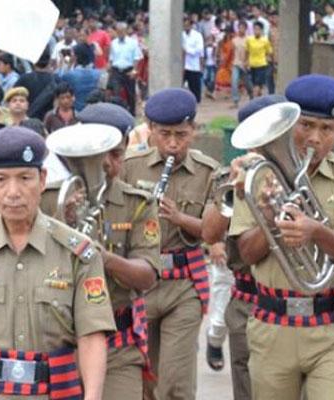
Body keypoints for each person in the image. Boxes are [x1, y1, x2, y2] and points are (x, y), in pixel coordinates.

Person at [0, 126, 116, 400]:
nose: (13, 192)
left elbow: (91, 335)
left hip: (52, 392)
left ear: (43, 179)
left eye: (25, 178)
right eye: (1, 180)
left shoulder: (78, 253)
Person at [229, 74, 334, 400]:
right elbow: (245, 254)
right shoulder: (256, 174)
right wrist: (269, 215)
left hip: (331, 325)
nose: (314, 138)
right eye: (306, 126)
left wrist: (316, 231)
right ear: (289, 124)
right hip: (272, 327)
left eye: (327, 129)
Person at [46, 104, 161, 399]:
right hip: (57, 340)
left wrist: (104, 258)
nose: (108, 163)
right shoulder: (48, 198)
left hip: (118, 345)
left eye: (117, 153)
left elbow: (147, 276)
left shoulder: (139, 202)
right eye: (100, 153)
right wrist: (62, 222)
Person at [121, 88, 220, 400]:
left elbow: (212, 232)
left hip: (184, 285)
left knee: (175, 382)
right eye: (165, 134)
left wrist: (180, 218)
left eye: (181, 134)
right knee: (144, 377)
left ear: (194, 130)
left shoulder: (208, 171)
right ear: (150, 129)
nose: (173, 144)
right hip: (140, 283)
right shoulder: (130, 166)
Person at [200, 94, 287, 400]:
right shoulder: (229, 175)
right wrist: (232, 186)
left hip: (291, 297)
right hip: (248, 299)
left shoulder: (296, 176)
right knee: (247, 388)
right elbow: (209, 233)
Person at [15, 48, 59, 121]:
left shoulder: (24, 79)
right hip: (49, 122)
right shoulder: (57, 80)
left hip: (27, 121)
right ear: (49, 61)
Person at [108, 22, 142, 115]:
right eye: (118, 31)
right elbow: (111, 58)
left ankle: (132, 113)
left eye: (122, 31)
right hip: (116, 71)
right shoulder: (113, 43)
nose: (120, 33)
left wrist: (134, 71)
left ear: (126, 31)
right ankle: (117, 114)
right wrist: (110, 70)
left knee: (130, 94)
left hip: (128, 70)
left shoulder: (132, 43)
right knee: (116, 93)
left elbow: (136, 58)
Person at [58, 43, 101, 112]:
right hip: (95, 110)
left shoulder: (71, 75)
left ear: (76, 57)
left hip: (77, 110)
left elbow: (60, 78)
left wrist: (67, 63)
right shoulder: (99, 73)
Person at [245, 22, 272, 98]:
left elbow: (269, 52)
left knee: (257, 84)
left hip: (261, 64)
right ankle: (257, 95)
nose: (256, 31)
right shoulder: (249, 40)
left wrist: (268, 59)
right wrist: (246, 61)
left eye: (258, 29)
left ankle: (253, 99)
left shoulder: (265, 40)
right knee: (254, 84)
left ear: (261, 30)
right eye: (255, 29)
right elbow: (247, 51)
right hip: (252, 64)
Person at [182, 19, 204, 102]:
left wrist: (186, 50)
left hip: (194, 64)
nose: (186, 27)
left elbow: (199, 50)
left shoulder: (197, 35)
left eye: (187, 25)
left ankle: (197, 101)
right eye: (184, 25)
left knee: (194, 86)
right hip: (183, 65)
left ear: (191, 25)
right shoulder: (181, 35)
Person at [231, 21, 253, 108]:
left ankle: (251, 95)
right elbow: (233, 52)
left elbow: (250, 52)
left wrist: (247, 62)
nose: (241, 30)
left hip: (245, 64)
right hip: (236, 63)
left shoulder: (249, 39)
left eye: (243, 28)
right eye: (240, 28)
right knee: (234, 81)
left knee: (247, 82)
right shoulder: (234, 40)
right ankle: (235, 101)